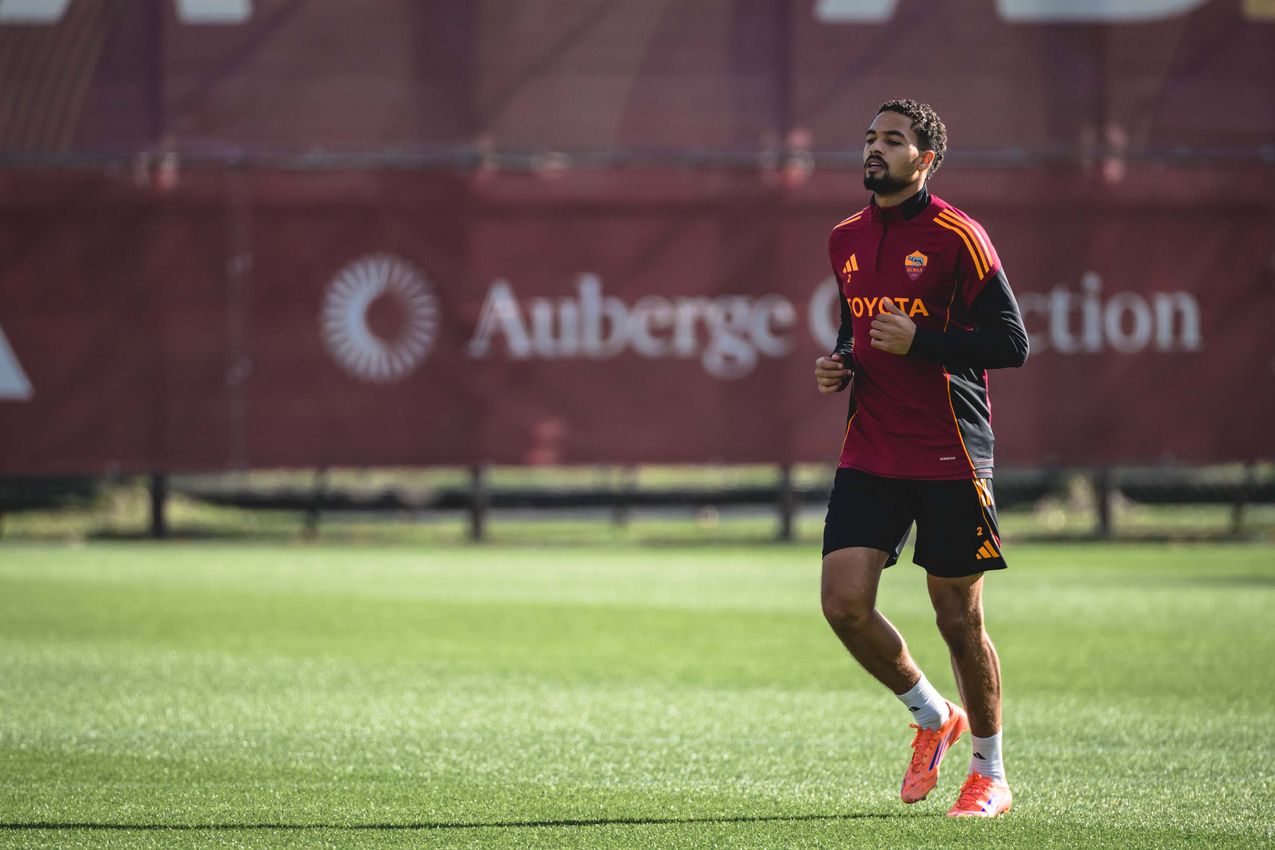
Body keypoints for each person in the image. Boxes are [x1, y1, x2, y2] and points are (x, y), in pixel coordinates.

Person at [814, 99, 1028, 818]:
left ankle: (990, 774)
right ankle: (934, 718)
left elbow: (1009, 343)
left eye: (893, 140)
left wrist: (926, 343)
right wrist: (841, 361)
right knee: (843, 605)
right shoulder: (844, 236)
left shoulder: (956, 235)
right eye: (871, 137)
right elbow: (858, 326)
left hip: (948, 451)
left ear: (924, 158)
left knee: (957, 618)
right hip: (870, 448)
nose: (875, 149)